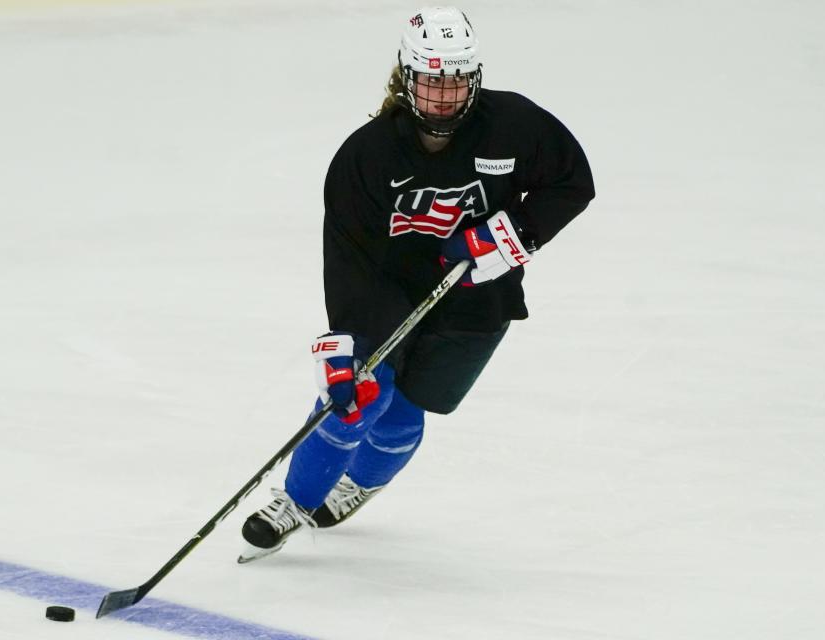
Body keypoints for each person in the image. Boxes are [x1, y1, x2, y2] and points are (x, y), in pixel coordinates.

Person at [239, 6, 594, 562]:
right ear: (406, 77)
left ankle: (363, 480)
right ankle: (293, 500)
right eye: (432, 79)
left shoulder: (514, 124)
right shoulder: (368, 154)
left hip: (479, 297)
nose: (444, 96)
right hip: (389, 290)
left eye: (456, 81)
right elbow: (351, 255)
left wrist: (508, 235)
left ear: (473, 78)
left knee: (411, 405)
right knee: (361, 393)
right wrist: (348, 342)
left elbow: (572, 182)